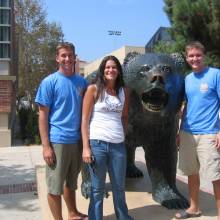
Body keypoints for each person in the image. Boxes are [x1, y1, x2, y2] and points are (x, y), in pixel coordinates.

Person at [35, 42, 88, 220]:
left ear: (75, 57)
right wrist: (46, 146)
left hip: (76, 141)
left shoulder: (82, 82)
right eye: (63, 55)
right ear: (57, 58)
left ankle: (72, 213)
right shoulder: (49, 82)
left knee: (71, 182)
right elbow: (42, 115)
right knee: (54, 187)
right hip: (57, 141)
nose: (67, 58)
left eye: (70, 55)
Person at [81, 55, 133, 220]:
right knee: (97, 188)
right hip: (97, 145)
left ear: (118, 71)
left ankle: (123, 216)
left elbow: (124, 117)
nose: (111, 70)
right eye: (107, 67)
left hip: (118, 146)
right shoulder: (94, 89)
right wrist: (86, 147)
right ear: (103, 71)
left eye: (114, 67)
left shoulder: (124, 91)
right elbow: (84, 120)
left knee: (119, 187)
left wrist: (122, 134)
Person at [175, 41, 220, 219]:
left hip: (209, 133)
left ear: (204, 55)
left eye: (198, 55)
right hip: (187, 133)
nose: (195, 58)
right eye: (191, 56)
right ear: (187, 58)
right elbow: (186, 106)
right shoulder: (187, 79)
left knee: (215, 176)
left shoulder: (215, 74)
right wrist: (179, 131)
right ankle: (194, 208)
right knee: (192, 173)